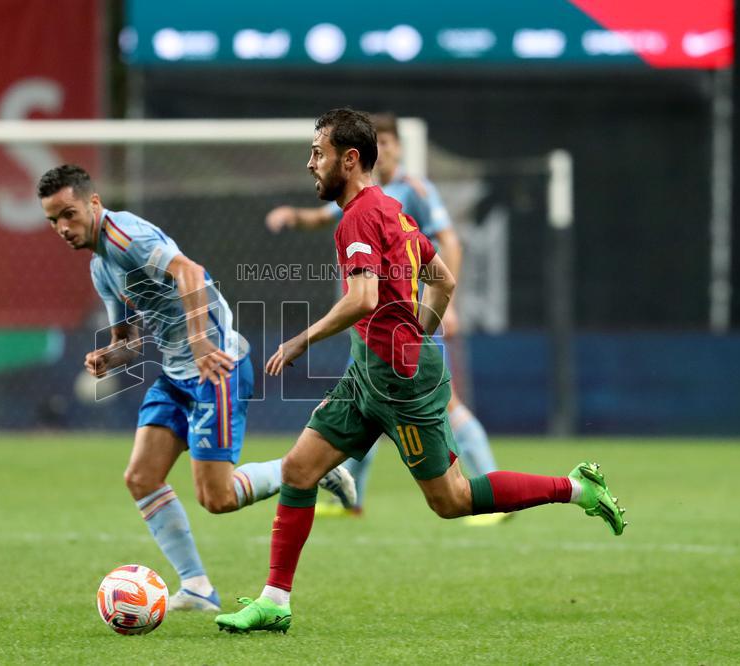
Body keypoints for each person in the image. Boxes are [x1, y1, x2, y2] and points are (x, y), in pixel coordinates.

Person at [215, 108, 626, 634]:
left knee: (452, 500)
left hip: (402, 384)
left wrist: (302, 339)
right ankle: (275, 601)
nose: (310, 163)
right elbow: (444, 278)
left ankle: (575, 487)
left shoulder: (360, 217)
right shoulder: (390, 209)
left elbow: (363, 298)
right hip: (372, 372)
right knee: (299, 471)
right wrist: (415, 329)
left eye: (318, 153)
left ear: (350, 158)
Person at [36, 165, 355, 612]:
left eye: (68, 214)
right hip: (175, 374)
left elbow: (190, 271)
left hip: (216, 366)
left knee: (217, 498)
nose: (62, 228)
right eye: (53, 220)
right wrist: (109, 357)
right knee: (141, 478)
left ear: (93, 203)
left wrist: (202, 342)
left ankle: (305, 470)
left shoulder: (126, 237)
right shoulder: (100, 266)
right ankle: (198, 588)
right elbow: (128, 341)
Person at [266, 113, 505, 525]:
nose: (312, 162)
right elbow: (327, 218)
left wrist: (441, 310)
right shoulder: (366, 199)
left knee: (448, 411)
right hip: (373, 329)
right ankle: (349, 499)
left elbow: (446, 243)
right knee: (364, 406)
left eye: (393, 142)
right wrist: (293, 215)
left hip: (400, 320)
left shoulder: (409, 191)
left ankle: (491, 484)